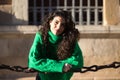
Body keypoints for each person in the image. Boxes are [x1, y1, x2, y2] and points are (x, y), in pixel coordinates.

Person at [28, 10, 84, 80]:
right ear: (50, 22)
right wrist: (60, 66)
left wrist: (46, 66)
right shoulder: (41, 36)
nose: (58, 27)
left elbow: (78, 61)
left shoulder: (69, 38)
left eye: (62, 25)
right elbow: (33, 61)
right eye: (56, 22)